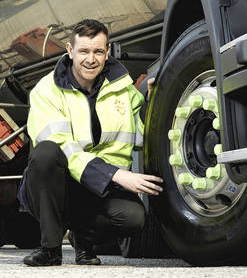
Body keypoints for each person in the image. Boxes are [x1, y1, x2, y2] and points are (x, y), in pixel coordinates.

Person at [17, 19, 163, 266]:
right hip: (56, 188)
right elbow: (60, 147)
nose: (90, 59)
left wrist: (152, 101)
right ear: (70, 50)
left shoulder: (123, 89)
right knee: (45, 153)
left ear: (107, 52)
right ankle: (50, 249)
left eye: (98, 51)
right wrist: (115, 175)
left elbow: (140, 133)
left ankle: (84, 243)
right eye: (83, 51)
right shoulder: (47, 90)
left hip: (97, 192)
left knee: (134, 218)